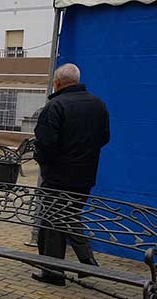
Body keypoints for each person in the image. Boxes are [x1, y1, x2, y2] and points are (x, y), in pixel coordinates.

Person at [31, 63, 110, 286]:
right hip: (85, 176)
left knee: (55, 221)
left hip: (57, 176)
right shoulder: (98, 105)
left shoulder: (55, 106)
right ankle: (84, 263)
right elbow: (104, 138)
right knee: (67, 216)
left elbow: (45, 143)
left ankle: (56, 272)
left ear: (57, 83)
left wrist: (42, 159)